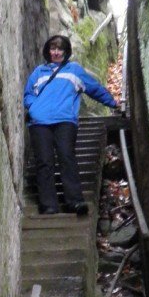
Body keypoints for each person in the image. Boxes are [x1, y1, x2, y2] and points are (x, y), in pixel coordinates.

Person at [23, 33, 121, 215]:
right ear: (48, 50)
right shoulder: (38, 72)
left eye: (60, 49)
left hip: (65, 121)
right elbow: (28, 94)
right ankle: (48, 205)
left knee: (66, 157)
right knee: (44, 162)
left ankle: (75, 201)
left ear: (66, 52)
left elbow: (94, 88)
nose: (56, 52)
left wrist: (112, 102)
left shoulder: (74, 70)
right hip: (39, 123)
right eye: (53, 48)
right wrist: (33, 106)